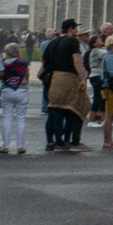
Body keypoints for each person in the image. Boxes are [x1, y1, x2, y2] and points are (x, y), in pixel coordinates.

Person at [38, 19, 85, 152]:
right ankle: (64, 139)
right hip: (67, 78)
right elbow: (77, 61)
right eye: (75, 28)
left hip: (52, 79)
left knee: (53, 111)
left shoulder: (52, 42)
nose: (76, 31)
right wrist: (82, 78)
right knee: (69, 109)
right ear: (70, 29)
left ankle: (50, 141)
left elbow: (44, 61)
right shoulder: (72, 42)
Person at [0, 47, 30, 154]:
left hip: (7, 90)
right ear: (17, 52)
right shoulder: (23, 63)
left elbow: (0, 75)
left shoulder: (4, 63)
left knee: (7, 118)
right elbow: (27, 76)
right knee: (21, 118)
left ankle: (5, 146)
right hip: (22, 90)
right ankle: (21, 146)